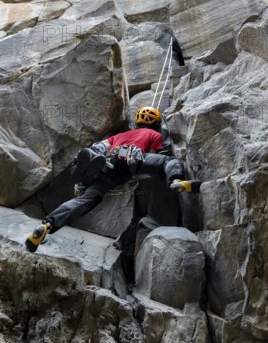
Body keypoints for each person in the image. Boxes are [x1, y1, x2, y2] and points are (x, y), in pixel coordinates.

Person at [25, 106, 201, 252]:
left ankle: (47, 225)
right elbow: (152, 159)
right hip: (131, 158)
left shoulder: (119, 135)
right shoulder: (155, 135)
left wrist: (95, 154)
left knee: (84, 200)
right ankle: (176, 181)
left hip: (108, 165)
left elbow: (102, 145)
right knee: (168, 161)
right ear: (156, 124)